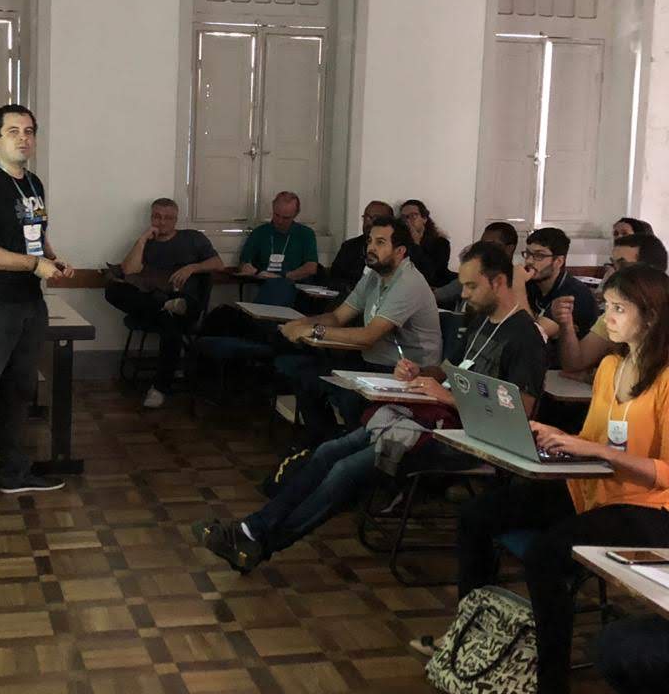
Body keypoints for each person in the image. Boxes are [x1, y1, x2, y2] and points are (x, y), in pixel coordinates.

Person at [192, 242, 546, 572]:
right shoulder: (480, 320)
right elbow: (449, 371)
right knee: (328, 451)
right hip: (431, 421)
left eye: (471, 286)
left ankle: (261, 542)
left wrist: (446, 396)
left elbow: (522, 413)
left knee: (346, 469)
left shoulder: (524, 336)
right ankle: (251, 530)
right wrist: (419, 372)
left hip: (471, 441)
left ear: (499, 282)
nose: (463, 294)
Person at [453, 265, 669, 694]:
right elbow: (594, 438)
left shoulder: (667, 377)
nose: (607, 318)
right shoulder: (610, 368)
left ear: (652, 317)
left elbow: (662, 470)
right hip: (595, 487)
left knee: (546, 555)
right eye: (607, 307)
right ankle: (471, 636)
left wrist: (592, 450)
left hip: (651, 507)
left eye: (619, 309)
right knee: (476, 516)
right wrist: (557, 438)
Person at [0, 104, 73, 517]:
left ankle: (15, 472)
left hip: (27, 303)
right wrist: (34, 265)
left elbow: (34, 235)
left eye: (29, 131)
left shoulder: (33, 183)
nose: (23, 138)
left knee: (19, 391)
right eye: (13, 131)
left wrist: (52, 258)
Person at [273, 216, 443, 443]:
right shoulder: (374, 276)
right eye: (370, 241)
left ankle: (349, 448)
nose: (371, 248)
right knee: (307, 378)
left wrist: (314, 331)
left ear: (400, 251)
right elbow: (337, 316)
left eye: (380, 242)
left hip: (406, 372)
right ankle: (324, 445)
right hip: (374, 364)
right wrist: (303, 324)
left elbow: (368, 337)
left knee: (348, 397)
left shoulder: (408, 282)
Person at [105, 198, 224, 408]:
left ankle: (159, 387)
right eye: (157, 217)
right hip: (155, 301)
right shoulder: (147, 242)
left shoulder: (193, 238)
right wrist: (142, 240)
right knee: (114, 291)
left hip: (186, 302)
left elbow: (218, 263)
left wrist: (192, 268)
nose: (162, 222)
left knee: (172, 322)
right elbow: (128, 271)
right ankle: (160, 387)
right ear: (151, 217)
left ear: (176, 220)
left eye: (168, 218)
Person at [555, 233, 667, 372]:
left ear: (651, 271)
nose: (614, 273)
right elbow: (576, 363)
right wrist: (566, 324)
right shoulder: (613, 315)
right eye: (613, 265)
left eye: (624, 265)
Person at [523, 227, 597, 359]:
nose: (529, 261)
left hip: (565, 366)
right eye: (527, 254)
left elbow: (531, 336)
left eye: (539, 256)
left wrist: (517, 285)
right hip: (538, 360)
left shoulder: (574, 293)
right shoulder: (531, 284)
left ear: (558, 262)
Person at [237, 192, 318, 282]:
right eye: (276, 215)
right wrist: (251, 270)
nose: (280, 221)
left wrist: (283, 277)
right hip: (264, 283)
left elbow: (311, 267)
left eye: (286, 218)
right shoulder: (259, 232)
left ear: (295, 214)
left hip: (293, 283)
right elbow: (243, 262)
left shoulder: (306, 234)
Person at [326, 199, 393, 293]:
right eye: (366, 217)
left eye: (375, 218)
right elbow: (333, 279)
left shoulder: (394, 248)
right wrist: (351, 289)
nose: (369, 222)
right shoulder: (349, 246)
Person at [400, 198, 451, 287]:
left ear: (424, 218)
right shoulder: (400, 244)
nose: (408, 221)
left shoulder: (441, 243)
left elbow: (432, 274)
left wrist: (416, 244)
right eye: (404, 218)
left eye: (413, 216)